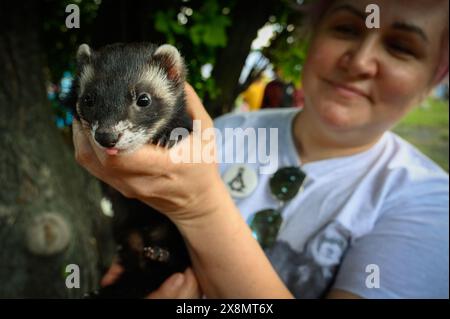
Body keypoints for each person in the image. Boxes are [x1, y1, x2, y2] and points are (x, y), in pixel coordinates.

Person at [73, 0, 449, 298]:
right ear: (313, 34)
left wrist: (198, 206)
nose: (361, 61)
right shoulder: (225, 131)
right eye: (346, 28)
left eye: (401, 47)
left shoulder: (430, 205)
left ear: (436, 77)